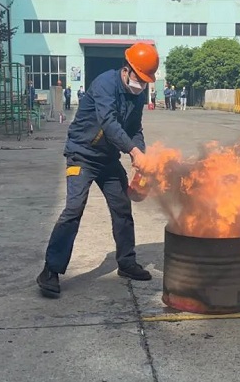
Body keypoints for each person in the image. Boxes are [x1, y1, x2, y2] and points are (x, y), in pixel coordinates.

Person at [36, 42, 159, 298]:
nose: (142, 85)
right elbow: (109, 122)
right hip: (81, 154)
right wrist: (133, 152)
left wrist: (142, 154)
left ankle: (126, 262)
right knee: (74, 209)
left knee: (122, 208)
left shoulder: (136, 95)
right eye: (139, 79)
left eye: (146, 81)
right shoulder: (105, 84)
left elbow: (134, 129)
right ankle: (51, 270)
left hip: (108, 158)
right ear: (127, 70)